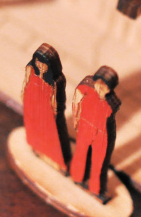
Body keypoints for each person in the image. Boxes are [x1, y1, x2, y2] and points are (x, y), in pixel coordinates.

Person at [69, 66, 121, 201]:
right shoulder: (85, 87)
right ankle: (77, 176)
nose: (101, 89)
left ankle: (96, 189)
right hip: (85, 126)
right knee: (81, 152)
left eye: (105, 87)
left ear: (110, 89)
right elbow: (76, 102)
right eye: (99, 84)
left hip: (102, 134)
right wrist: (76, 119)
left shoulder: (112, 103)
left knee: (100, 162)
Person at [22, 44, 71, 172]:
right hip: (33, 106)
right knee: (36, 129)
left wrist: (56, 113)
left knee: (53, 135)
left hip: (48, 112)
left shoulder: (56, 81)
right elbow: (26, 86)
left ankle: (57, 160)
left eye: (43, 64)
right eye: (38, 63)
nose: (40, 67)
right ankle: (38, 148)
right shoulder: (30, 70)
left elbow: (59, 101)